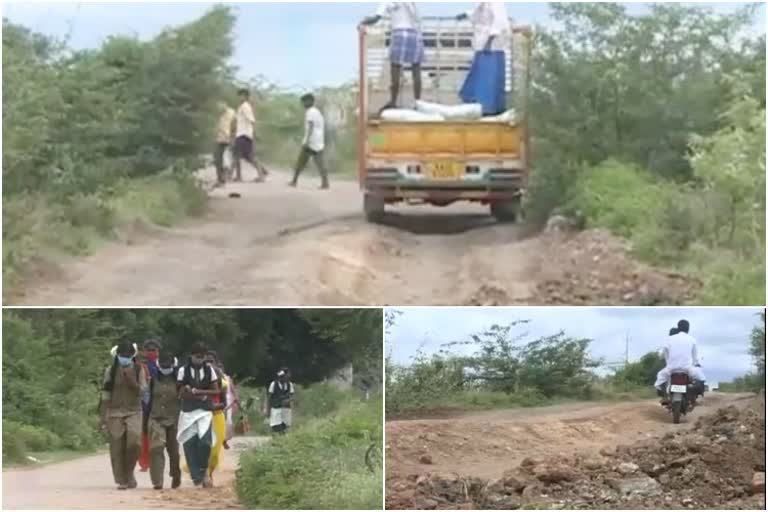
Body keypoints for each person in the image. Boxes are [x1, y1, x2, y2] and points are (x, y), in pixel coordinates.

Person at [101, 343, 148, 490]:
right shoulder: (111, 371)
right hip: (114, 411)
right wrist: (103, 416)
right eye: (122, 356)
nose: (125, 358)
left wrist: (131, 381)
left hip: (134, 410)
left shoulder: (139, 369)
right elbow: (105, 394)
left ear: (132, 356)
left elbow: (143, 391)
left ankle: (129, 472)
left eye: (128, 356)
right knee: (117, 446)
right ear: (117, 355)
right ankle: (122, 480)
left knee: (134, 443)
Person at [362, 3, 423, 110]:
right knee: (416, 68)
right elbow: (417, 18)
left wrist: (363, 22)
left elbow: (376, 18)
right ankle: (417, 102)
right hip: (414, 34)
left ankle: (393, 101)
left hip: (398, 33)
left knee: (395, 68)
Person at [177, 343, 220, 488]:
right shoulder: (183, 370)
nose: (200, 359)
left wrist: (200, 392)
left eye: (202, 357)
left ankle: (203, 470)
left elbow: (216, 391)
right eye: (197, 356)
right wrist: (189, 391)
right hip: (188, 412)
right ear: (191, 356)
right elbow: (180, 391)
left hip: (204, 411)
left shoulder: (210, 371)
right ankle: (197, 478)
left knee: (205, 443)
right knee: (189, 444)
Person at [457, 3, 510, 115]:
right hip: (482, 43)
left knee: (489, 77)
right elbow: (478, 14)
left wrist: (489, 41)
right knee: (480, 74)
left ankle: (489, 107)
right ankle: (477, 104)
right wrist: (466, 14)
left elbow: (499, 22)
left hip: (492, 46)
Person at [148, 354, 182, 490]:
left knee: (173, 451)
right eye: (163, 365)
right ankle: (158, 481)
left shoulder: (178, 382)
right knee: (156, 448)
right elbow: (147, 402)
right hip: (156, 419)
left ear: (173, 365)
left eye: (168, 365)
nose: (165, 368)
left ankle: (176, 474)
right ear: (158, 365)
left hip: (174, 419)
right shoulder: (152, 380)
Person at [655, 320, 707, 400]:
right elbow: (695, 357)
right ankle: (694, 395)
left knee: (660, 378)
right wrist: (696, 364)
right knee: (702, 378)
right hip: (687, 368)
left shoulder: (669, 339)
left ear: (678, 328)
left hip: (671, 368)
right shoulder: (692, 339)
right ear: (688, 329)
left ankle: (664, 396)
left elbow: (663, 353)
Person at [289, 94, 329, 190]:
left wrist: (306, 140)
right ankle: (325, 183)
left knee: (300, 162)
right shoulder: (317, 112)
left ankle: (294, 181)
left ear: (309, 101)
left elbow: (311, 126)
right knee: (320, 163)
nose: (303, 104)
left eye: (304, 102)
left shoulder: (310, 112)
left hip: (311, 142)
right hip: (318, 141)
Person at [234, 89, 268, 183]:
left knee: (240, 155)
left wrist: (255, 133)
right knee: (247, 156)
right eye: (239, 95)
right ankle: (261, 172)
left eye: (241, 96)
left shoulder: (245, 106)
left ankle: (240, 176)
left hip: (244, 134)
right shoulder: (242, 106)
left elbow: (252, 120)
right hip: (242, 133)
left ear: (245, 96)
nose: (239, 97)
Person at [204, 350, 227, 482]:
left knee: (214, 452)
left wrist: (214, 407)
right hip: (202, 416)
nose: (208, 365)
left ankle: (209, 472)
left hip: (217, 417)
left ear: (216, 364)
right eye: (206, 362)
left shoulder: (222, 382)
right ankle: (205, 474)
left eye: (211, 362)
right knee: (204, 447)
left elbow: (224, 403)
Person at [138, 339, 161, 473]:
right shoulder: (141, 366)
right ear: (144, 351)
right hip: (144, 404)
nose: (151, 352)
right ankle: (144, 462)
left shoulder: (162, 366)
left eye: (154, 350)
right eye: (149, 350)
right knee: (144, 433)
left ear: (158, 352)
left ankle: (155, 461)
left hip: (158, 404)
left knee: (156, 434)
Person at [214, 102, 236, 186]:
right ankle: (221, 179)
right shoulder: (220, 114)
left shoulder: (232, 113)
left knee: (227, 159)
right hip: (220, 139)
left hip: (229, 138)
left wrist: (233, 137)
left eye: (221, 106)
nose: (220, 108)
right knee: (217, 159)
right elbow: (219, 126)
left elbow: (235, 125)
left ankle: (225, 177)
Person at [267, 369, 295, 434]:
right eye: (285, 376)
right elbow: (270, 398)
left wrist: (288, 400)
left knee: (285, 426)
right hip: (276, 408)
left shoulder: (289, 384)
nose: (287, 378)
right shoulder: (273, 384)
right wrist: (268, 410)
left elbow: (292, 396)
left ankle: (281, 439)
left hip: (286, 409)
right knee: (276, 425)